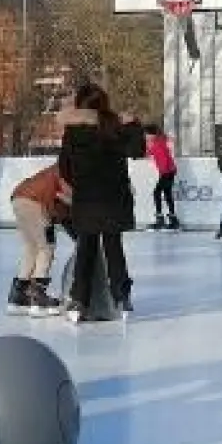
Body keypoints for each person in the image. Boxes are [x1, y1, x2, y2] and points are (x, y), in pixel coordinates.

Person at [57, 84, 145, 323]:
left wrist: (80, 184)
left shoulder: (73, 132)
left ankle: (78, 301)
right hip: (114, 198)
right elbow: (138, 150)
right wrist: (133, 124)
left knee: (86, 248)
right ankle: (122, 297)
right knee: (113, 248)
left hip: (87, 199)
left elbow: (64, 167)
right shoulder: (114, 126)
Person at [6, 164, 70, 317]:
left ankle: (18, 297)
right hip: (35, 202)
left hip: (18, 198)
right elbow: (66, 196)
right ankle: (37, 297)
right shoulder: (68, 169)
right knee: (46, 248)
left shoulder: (56, 168)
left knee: (31, 248)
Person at [145, 124, 179, 231]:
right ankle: (173, 220)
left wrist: (164, 172)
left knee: (157, 192)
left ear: (151, 135)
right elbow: (148, 153)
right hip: (169, 171)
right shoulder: (157, 142)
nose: (145, 136)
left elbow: (163, 158)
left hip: (167, 172)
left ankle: (160, 219)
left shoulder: (157, 143)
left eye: (146, 134)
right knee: (167, 194)